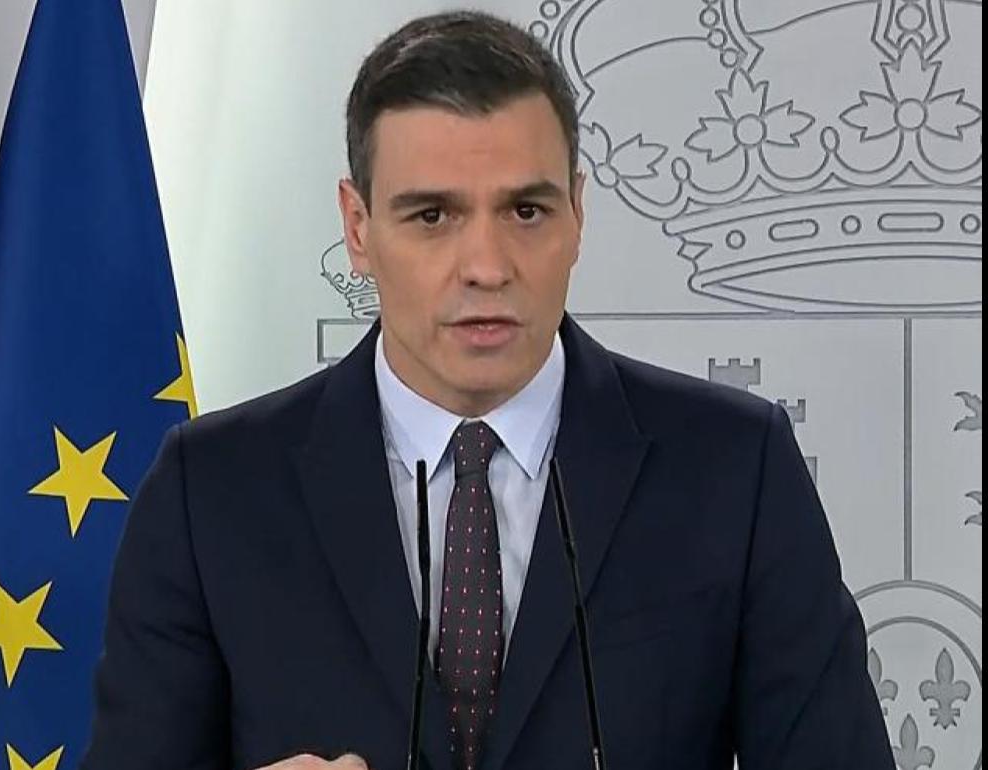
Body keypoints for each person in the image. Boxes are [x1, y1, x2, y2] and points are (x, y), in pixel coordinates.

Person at [83, 11, 894, 770]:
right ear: (358, 227)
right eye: (432, 216)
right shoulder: (210, 491)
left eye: (526, 211)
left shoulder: (735, 470)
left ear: (577, 214)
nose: (486, 266)